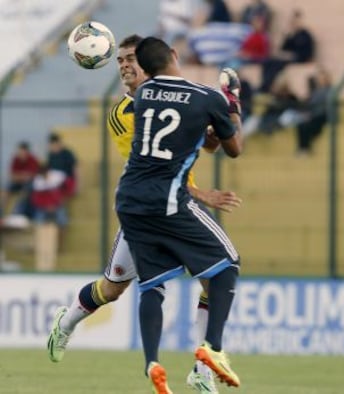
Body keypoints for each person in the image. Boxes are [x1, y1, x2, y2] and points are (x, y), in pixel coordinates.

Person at [47, 34, 241, 394]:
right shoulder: (123, 114)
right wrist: (202, 190)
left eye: (131, 58)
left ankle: (202, 370)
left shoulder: (179, 97)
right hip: (151, 204)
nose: (124, 65)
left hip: (179, 202)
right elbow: (149, 165)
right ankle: (68, 320)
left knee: (212, 282)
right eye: (119, 60)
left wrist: (214, 121)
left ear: (150, 62)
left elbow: (210, 143)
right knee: (113, 288)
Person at [116, 37, 243, 392]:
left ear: (144, 68)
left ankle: (152, 362)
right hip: (168, 199)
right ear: (174, 55)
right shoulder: (206, 97)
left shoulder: (143, 96)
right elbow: (232, 148)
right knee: (227, 265)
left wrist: (212, 129)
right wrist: (232, 104)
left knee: (152, 284)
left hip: (129, 201)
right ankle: (212, 349)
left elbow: (199, 137)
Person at [259, 9, 315, 92]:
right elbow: (283, 49)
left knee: (278, 64)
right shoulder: (290, 35)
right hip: (288, 58)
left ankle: (267, 86)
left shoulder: (305, 35)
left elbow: (307, 52)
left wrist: (292, 55)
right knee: (268, 62)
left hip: (300, 58)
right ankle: (264, 84)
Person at [1, 141, 39, 215]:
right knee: (5, 189)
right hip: (17, 182)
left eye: (22, 152)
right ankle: (1, 213)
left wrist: (19, 176)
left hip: (28, 184)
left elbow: (31, 176)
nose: (21, 153)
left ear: (27, 151)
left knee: (25, 192)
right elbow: (12, 175)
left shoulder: (33, 159)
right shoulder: (15, 159)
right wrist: (22, 176)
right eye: (19, 151)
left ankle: (16, 213)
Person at [47, 132, 78, 197]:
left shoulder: (67, 154)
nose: (52, 147)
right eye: (51, 145)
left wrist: (77, 186)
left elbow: (75, 168)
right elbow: (49, 170)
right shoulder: (51, 155)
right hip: (53, 180)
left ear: (58, 143)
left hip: (66, 180)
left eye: (54, 145)